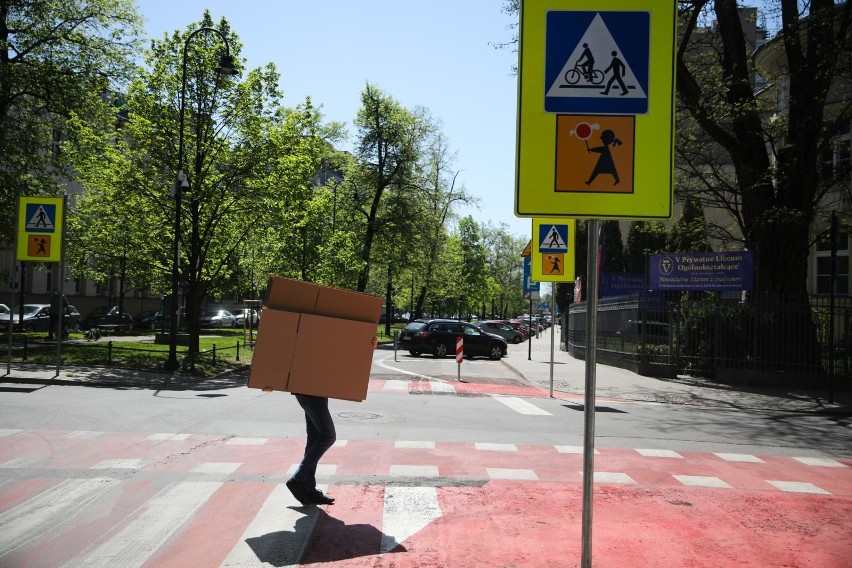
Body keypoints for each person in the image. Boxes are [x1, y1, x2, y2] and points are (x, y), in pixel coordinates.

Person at [285, 335, 379, 505]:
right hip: (310, 389)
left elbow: (341, 349)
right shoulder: (312, 335)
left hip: (314, 388)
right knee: (328, 436)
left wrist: (366, 344)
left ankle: (308, 488)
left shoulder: (322, 334)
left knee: (314, 437)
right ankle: (297, 479)